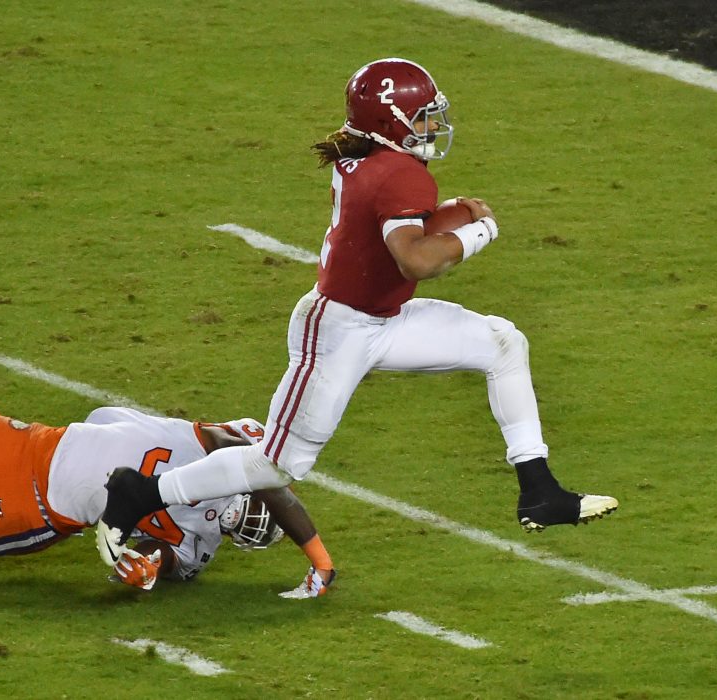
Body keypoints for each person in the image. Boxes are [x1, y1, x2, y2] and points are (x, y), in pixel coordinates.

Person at [97, 57, 618, 595]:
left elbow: (389, 228)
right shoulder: (398, 171)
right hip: (339, 330)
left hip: (383, 318)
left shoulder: (366, 157)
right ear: (391, 120)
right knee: (277, 465)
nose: (431, 127)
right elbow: (414, 260)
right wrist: (478, 229)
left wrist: (441, 215)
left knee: (504, 343)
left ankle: (539, 490)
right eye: (421, 117)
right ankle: (143, 493)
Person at [0, 400, 334, 594]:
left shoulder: (199, 543)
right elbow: (257, 465)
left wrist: (147, 565)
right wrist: (316, 555)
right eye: (253, 502)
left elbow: (168, 559)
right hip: (24, 440)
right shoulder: (234, 444)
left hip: (29, 510)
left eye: (241, 521)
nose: (234, 511)